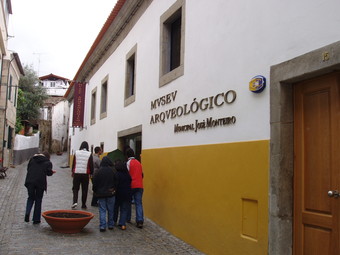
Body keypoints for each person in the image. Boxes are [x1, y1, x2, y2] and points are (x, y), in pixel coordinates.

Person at [24, 151, 55, 224]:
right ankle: (36, 219)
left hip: (30, 181)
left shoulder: (32, 159)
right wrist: (52, 172)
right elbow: (48, 173)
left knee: (30, 198)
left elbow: (28, 169)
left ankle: (27, 213)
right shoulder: (48, 162)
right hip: (40, 183)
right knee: (38, 199)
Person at [92, 156, 118, 232]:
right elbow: (116, 181)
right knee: (111, 210)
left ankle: (102, 226)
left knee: (102, 210)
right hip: (111, 193)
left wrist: (95, 191)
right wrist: (114, 189)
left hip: (101, 193)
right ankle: (110, 224)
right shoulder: (113, 171)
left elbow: (95, 183)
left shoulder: (98, 171)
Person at [71, 141, 94, 209]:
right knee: (84, 189)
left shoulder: (76, 152)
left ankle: (75, 202)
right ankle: (83, 204)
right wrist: (91, 173)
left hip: (77, 173)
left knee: (75, 188)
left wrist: (72, 171)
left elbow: (74, 163)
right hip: (85, 173)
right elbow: (91, 164)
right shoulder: (89, 154)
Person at [126, 148, 144, 228]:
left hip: (131, 185)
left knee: (128, 202)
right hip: (140, 185)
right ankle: (140, 220)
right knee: (139, 203)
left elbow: (127, 174)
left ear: (127, 155)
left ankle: (128, 218)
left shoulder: (128, 163)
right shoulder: (139, 163)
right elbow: (142, 174)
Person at [114, 160, 132, 230]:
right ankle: (122, 224)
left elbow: (115, 184)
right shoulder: (127, 175)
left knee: (115, 208)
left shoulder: (116, 174)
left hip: (118, 194)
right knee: (124, 209)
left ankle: (114, 221)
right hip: (126, 194)